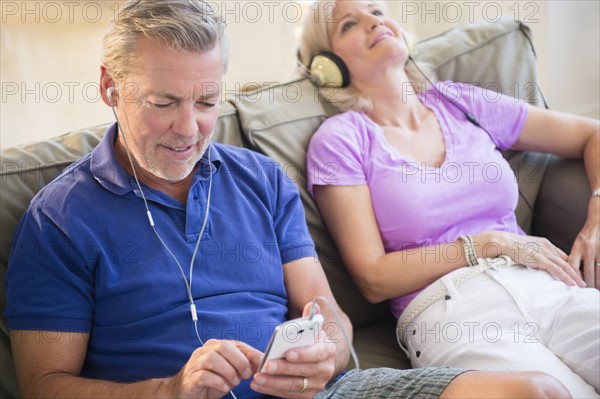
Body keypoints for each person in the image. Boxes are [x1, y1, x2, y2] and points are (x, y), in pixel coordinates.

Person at [4, 1, 573, 398]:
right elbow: (44, 386)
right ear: (110, 88)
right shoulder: (60, 218)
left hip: (328, 395)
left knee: (537, 391)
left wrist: (326, 351)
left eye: (206, 101)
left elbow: (328, 316)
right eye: (163, 102)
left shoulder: (261, 178)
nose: (188, 128)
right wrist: (170, 390)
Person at [300, 0, 600, 398]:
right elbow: (373, 278)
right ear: (327, 64)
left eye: (376, 10)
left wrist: (596, 212)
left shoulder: (460, 101)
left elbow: (591, 134)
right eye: (350, 24)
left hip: (545, 283)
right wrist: (488, 244)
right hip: (450, 309)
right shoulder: (339, 141)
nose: (373, 22)